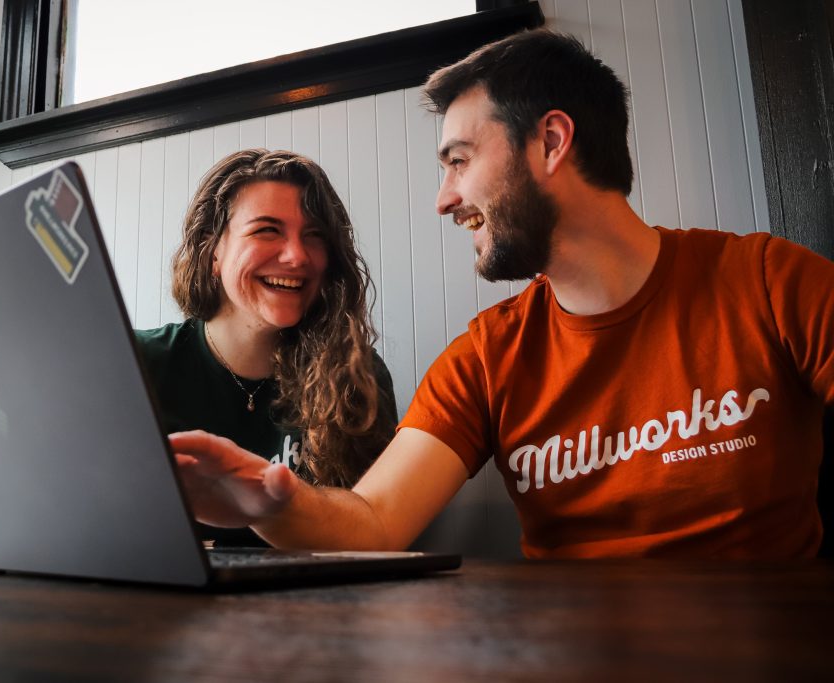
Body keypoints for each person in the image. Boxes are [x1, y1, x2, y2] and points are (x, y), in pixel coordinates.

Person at [168, 30, 834, 559]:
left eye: (458, 160)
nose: (444, 199)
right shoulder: (489, 357)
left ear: (550, 142)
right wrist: (271, 504)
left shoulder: (770, 282)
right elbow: (375, 522)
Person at [134, 149, 398, 546]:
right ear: (212, 251)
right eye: (267, 230)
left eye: (314, 236)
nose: (297, 256)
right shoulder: (138, 363)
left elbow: (374, 534)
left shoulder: (357, 376)